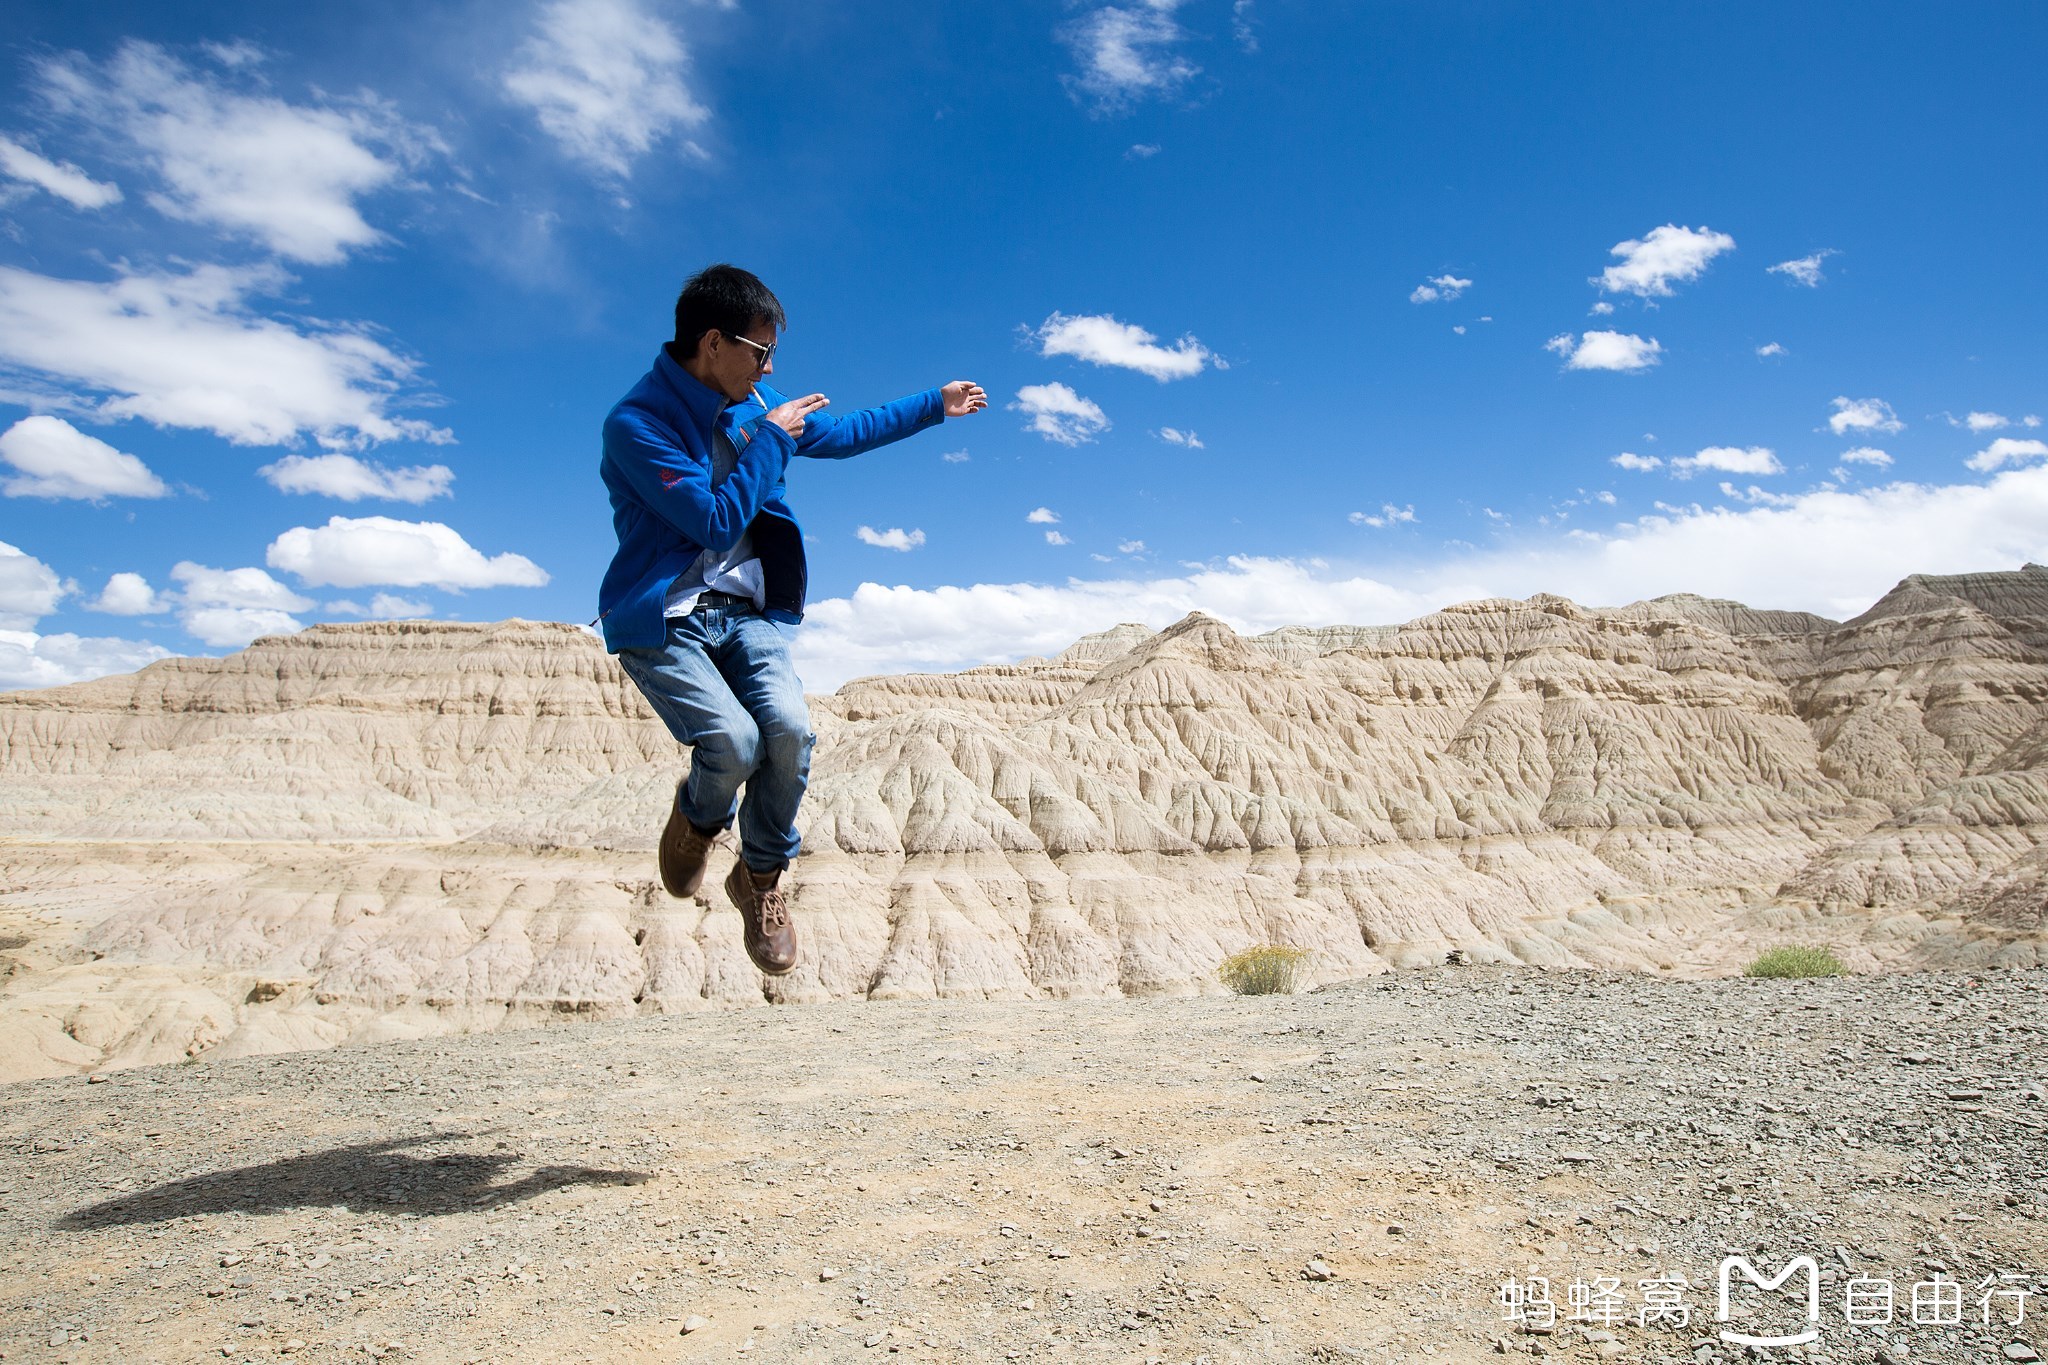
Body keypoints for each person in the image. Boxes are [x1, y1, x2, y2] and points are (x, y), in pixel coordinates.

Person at [596, 264, 986, 976]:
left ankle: (760, 878)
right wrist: (771, 438)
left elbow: (842, 432)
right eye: (760, 351)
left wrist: (935, 403)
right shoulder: (636, 425)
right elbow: (713, 523)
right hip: (665, 619)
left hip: (745, 614)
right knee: (734, 742)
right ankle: (696, 818)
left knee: (791, 730)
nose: (770, 367)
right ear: (714, 343)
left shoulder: (756, 405)